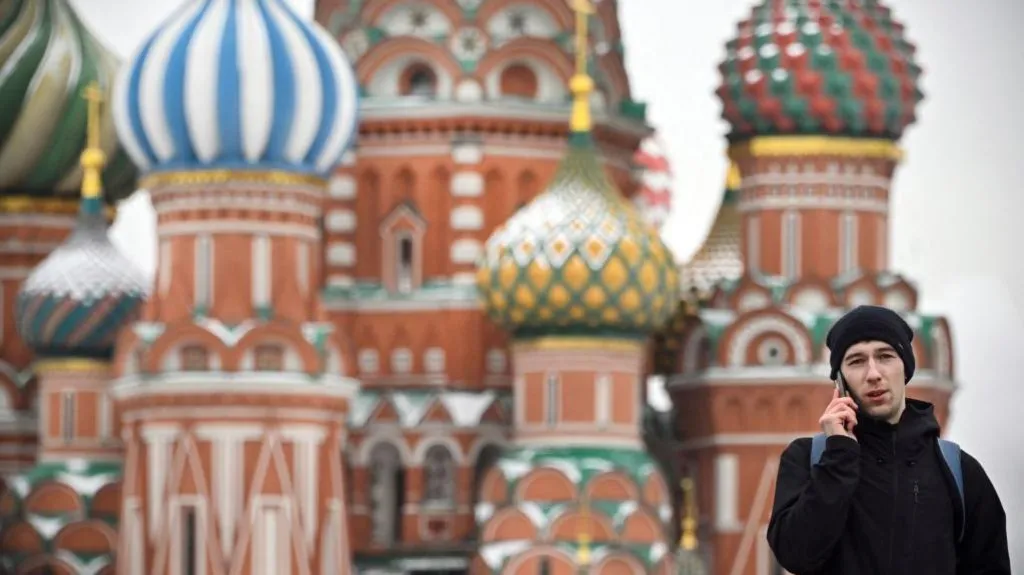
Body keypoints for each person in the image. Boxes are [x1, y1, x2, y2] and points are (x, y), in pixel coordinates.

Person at [766, 305, 1011, 574]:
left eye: (885, 356)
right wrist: (839, 456)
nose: (873, 374)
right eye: (856, 361)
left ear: (905, 367)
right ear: (840, 380)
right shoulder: (807, 459)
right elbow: (795, 555)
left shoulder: (960, 473)